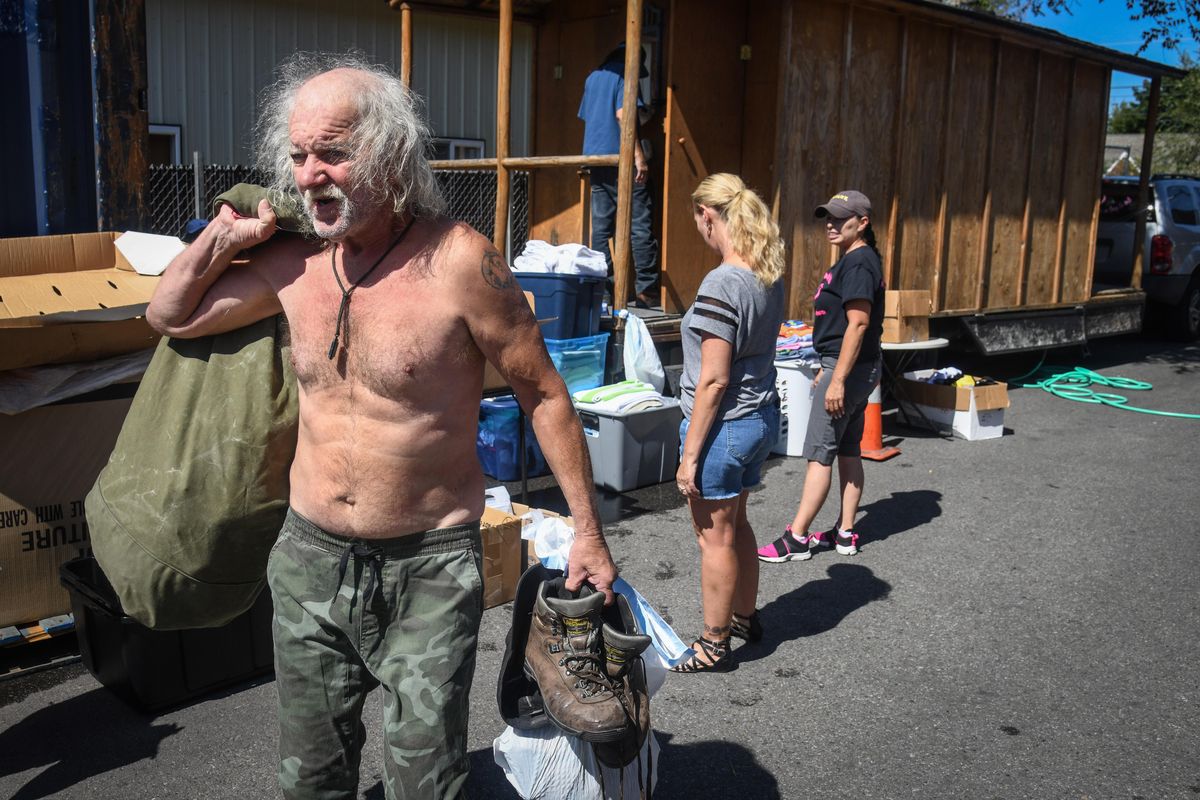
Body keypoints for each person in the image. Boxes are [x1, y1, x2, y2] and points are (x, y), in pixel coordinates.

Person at [145, 53, 618, 800]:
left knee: (425, 778)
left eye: (332, 152)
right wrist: (222, 239)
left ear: (392, 153)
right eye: (298, 156)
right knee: (310, 775)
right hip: (308, 560)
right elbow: (168, 314)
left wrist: (588, 531)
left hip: (428, 565)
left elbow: (544, 393)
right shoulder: (293, 262)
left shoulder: (461, 262)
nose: (309, 174)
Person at [669, 173, 786, 673]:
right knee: (735, 523)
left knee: (712, 538)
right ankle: (744, 618)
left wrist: (689, 455)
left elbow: (713, 381)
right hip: (759, 417)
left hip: (726, 426)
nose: (700, 230)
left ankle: (713, 644)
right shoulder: (767, 273)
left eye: (699, 221)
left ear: (709, 216)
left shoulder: (722, 281)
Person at [757, 190, 885, 565]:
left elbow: (858, 325)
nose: (830, 224)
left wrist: (838, 378)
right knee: (846, 449)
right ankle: (845, 532)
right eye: (827, 217)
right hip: (851, 367)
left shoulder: (859, 263)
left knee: (819, 454)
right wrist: (829, 369)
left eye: (839, 217)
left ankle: (796, 537)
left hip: (850, 369)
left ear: (862, 223)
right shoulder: (855, 259)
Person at [578, 43, 660, 308]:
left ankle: (604, 290)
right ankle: (646, 291)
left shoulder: (592, 78)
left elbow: (590, 117)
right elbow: (623, 116)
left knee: (601, 230)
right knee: (639, 224)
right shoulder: (625, 75)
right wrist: (638, 156)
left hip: (596, 159)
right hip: (621, 161)